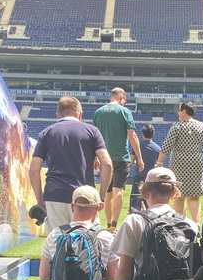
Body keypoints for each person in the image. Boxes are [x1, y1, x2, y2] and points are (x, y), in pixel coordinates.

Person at [30, 95, 113, 234]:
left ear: (57, 115)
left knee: (57, 244)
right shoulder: (92, 131)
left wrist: (40, 200)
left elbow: (33, 169)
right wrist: (102, 197)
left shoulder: (46, 133)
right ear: (80, 114)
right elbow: (107, 164)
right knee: (87, 243)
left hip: (55, 194)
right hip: (84, 196)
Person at [156, 101, 203, 223]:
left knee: (178, 196)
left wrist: (159, 163)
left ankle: (179, 224)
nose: (178, 112)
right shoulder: (202, 126)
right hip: (196, 163)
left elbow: (166, 146)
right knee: (194, 197)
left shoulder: (177, 126)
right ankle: (196, 224)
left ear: (184, 111)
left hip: (179, 163)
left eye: (179, 110)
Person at [93, 87, 144, 229]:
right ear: (121, 97)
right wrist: (139, 157)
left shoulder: (98, 112)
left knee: (107, 193)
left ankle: (108, 224)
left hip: (104, 158)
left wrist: (95, 158)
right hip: (121, 157)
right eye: (125, 100)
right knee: (118, 190)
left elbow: (94, 138)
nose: (125, 103)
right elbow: (132, 135)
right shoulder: (125, 112)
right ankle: (114, 225)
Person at [129, 123, 161, 210]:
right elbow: (159, 165)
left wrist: (137, 162)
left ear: (142, 134)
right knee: (149, 200)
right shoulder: (157, 148)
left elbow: (132, 161)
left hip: (138, 176)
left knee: (135, 202)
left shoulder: (137, 145)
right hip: (150, 178)